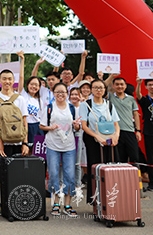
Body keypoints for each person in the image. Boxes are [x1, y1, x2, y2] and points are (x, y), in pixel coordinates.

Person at [0, 53, 29, 216]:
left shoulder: (20, 99)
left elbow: (24, 122)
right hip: (1, 144)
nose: (7, 82)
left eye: (10, 79)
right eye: (4, 79)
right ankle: (4, 205)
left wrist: (25, 143)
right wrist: (0, 142)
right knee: (3, 176)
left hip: (18, 142)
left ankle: (18, 205)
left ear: (13, 80)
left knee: (18, 175)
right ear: (0, 80)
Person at [39, 83, 80, 218]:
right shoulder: (49, 107)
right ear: (54, 93)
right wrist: (50, 127)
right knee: (53, 173)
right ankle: (56, 203)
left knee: (70, 175)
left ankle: (67, 204)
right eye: (57, 92)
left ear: (67, 93)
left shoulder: (72, 108)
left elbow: (77, 127)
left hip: (69, 146)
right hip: (52, 145)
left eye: (63, 92)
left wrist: (76, 126)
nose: (60, 94)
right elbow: (42, 125)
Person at [79, 78, 120, 200]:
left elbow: (116, 124)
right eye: (95, 87)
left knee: (111, 167)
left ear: (105, 90)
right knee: (95, 168)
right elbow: (84, 126)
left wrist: (116, 136)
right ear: (91, 90)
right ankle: (96, 199)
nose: (98, 90)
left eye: (101, 87)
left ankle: (112, 197)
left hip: (109, 139)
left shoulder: (109, 104)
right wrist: (97, 136)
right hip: (93, 140)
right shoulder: (85, 104)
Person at [108, 77, 141, 165]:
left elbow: (136, 114)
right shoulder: (110, 97)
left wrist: (138, 130)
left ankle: (136, 173)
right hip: (116, 132)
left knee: (135, 157)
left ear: (125, 86)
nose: (119, 86)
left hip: (130, 131)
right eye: (117, 84)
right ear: (113, 86)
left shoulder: (131, 98)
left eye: (122, 84)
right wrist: (111, 76)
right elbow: (103, 85)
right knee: (120, 158)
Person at [68, 87, 85, 187]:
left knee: (77, 162)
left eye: (76, 94)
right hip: (67, 134)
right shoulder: (66, 107)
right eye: (72, 94)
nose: (74, 96)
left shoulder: (83, 107)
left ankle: (77, 184)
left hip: (79, 134)